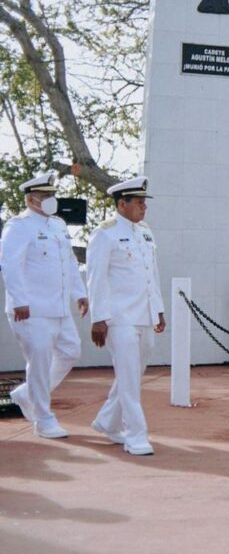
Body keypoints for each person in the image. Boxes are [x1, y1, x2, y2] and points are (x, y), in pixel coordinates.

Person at [1, 172, 87, 439]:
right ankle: (43, 419)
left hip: (58, 307)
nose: (51, 199)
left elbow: (69, 263)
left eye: (52, 195)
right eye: (45, 195)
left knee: (71, 351)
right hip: (31, 309)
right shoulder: (19, 226)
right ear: (31, 200)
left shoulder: (58, 225)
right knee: (39, 362)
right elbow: (10, 265)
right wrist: (20, 301)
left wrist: (79, 293)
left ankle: (27, 394)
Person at [87, 176, 165, 455]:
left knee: (132, 373)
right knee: (130, 378)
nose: (144, 207)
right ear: (122, 204)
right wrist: (98, 318)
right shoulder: (104, 234)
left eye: (144, 202)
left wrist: (158, 309)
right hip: (118, 317)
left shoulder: (145, 231)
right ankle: (135, 436)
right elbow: (96, 278)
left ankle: (107, 421)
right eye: (139, 202)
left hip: (144, 313)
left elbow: (151, 273)